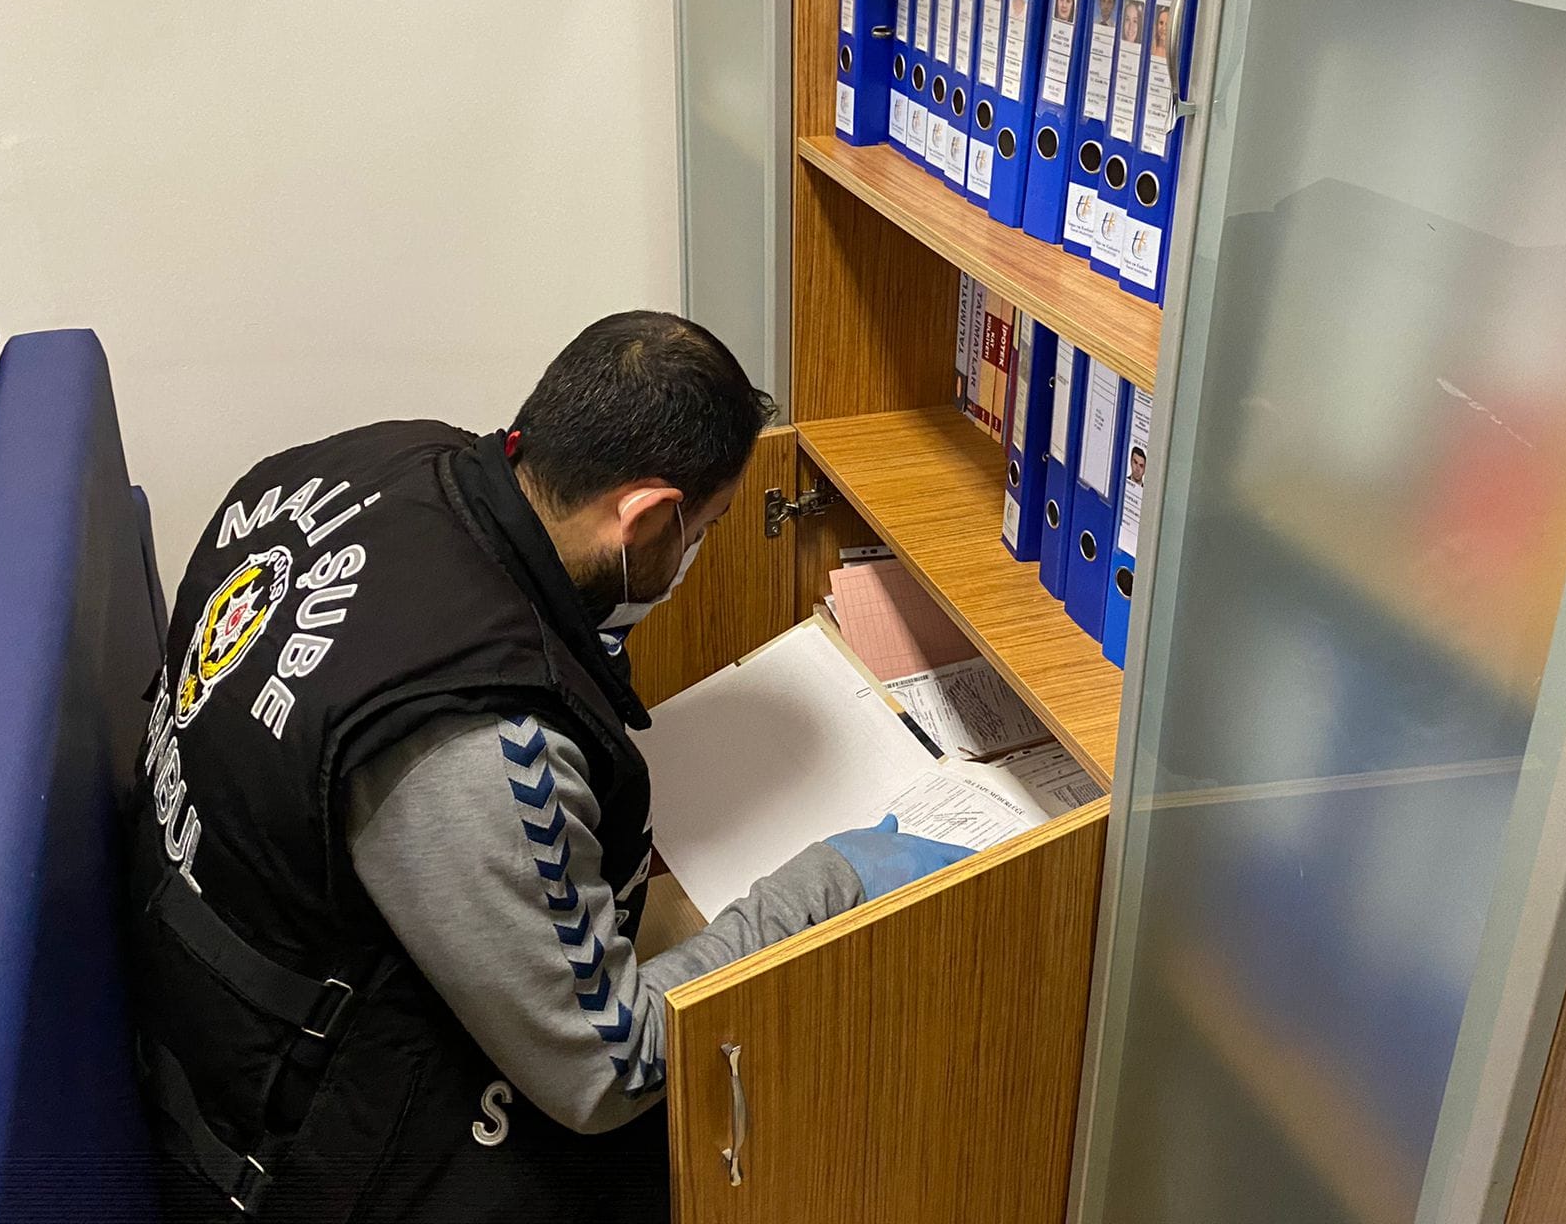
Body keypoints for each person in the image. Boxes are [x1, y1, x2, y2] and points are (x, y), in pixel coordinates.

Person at [126, 312, 970, 1222]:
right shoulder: (479, 746)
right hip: (298, 1158)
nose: (698, 552)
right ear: (645, 517)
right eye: (706, 527)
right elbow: (611, 1072)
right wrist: (834, 882)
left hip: (224, 1021)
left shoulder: (363, 465)